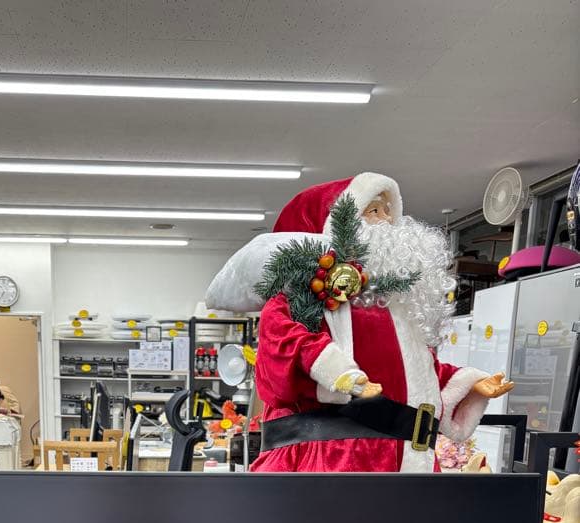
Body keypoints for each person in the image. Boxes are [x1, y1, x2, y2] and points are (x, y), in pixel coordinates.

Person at [207, 173, 513, 473]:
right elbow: (282, 348)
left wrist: (465, 383)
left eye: (388, 211)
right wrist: (338, 373)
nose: (387, 220)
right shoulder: (309, 298)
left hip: (409, 462)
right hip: (337, 459)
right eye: (374, 211)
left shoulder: (395, 307)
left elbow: (415, 373)